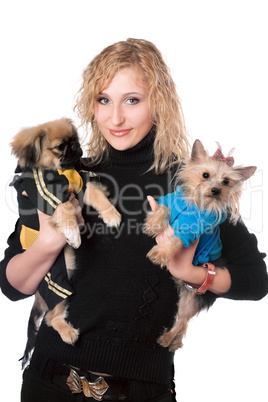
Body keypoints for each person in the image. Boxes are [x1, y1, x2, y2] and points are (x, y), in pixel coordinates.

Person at [0, 38, 267, 402]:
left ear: (159, 101)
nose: (116, 118)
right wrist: (47, 244)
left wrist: (192, 274)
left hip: (139, 392)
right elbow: (12, 285)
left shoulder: (195, 181)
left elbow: (255, 280)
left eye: (132, 100)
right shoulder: (71, 177)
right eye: (103, 100)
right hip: (48, 381)